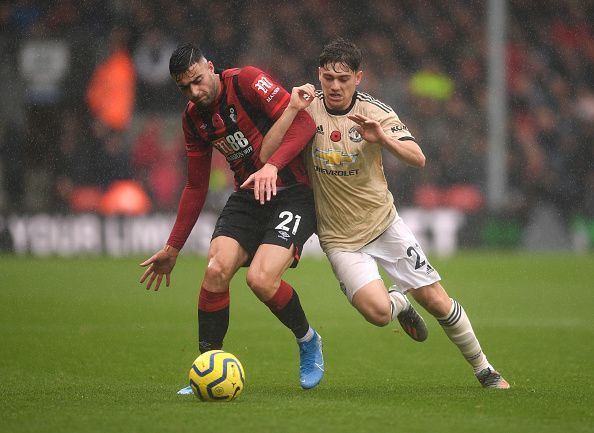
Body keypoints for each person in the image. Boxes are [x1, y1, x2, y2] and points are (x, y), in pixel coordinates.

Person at [247, 38, 510, 389]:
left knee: (436, 300)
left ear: (359, 77)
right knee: (378, 314)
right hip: (339, 238)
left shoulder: (376, 112)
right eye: (328, 78)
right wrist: (292, 110)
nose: (335, 86)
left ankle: (484, 369)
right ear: (319, 76)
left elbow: (418, 158)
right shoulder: (307, 110)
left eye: (343, 79)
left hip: (384, 225)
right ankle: (400, 302)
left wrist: (382, 138)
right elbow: (266, 154)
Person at [139, 43, 324, 392]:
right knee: (216, 268)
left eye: (197, 80)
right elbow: (195, 185)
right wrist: (173, 247)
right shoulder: (193, 118)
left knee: (261, 280)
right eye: (185, 88)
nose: (195, 92)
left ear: (210, 67)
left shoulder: (248, 81)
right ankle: (207, 367)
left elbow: (304, 124)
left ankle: (308, 340)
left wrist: (272, 165)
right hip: (248, 195)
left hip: (293, 193)